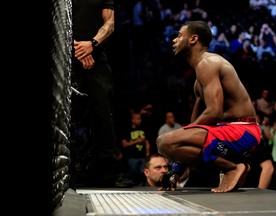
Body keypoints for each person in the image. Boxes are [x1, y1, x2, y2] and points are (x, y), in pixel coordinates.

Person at [156, 21, 261, 193]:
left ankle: (231, 168)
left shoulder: (208, 63)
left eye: (179, 35)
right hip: (230, 134)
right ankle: (232, 166)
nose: (174, 40)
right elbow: (193, 128)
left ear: (193, 39)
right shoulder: (199, 79)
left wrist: (176, 145)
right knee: (170, 145)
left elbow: (214, 112)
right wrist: (176, 170)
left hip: (243, 132)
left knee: (164, 141)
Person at [71, 0, 133, 188]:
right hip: (63, 56)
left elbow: (110, 23)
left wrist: (92, 44)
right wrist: (78, 49)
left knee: (104, 114)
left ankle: (111, 173)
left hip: (96, 57)